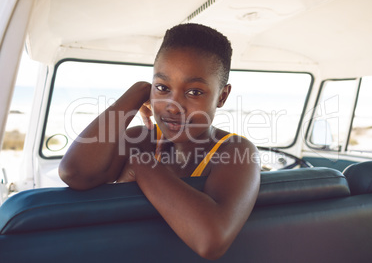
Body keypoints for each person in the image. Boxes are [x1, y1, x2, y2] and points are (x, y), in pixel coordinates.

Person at [59, 23, 260, 260]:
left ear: (222, 96)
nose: (173, 106)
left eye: (194, 92)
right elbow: (75, 173)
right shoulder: (141, 139)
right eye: (163, 87)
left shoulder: (236, 151)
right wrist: (136, 94)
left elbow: (210, 240)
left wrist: (143, 166)